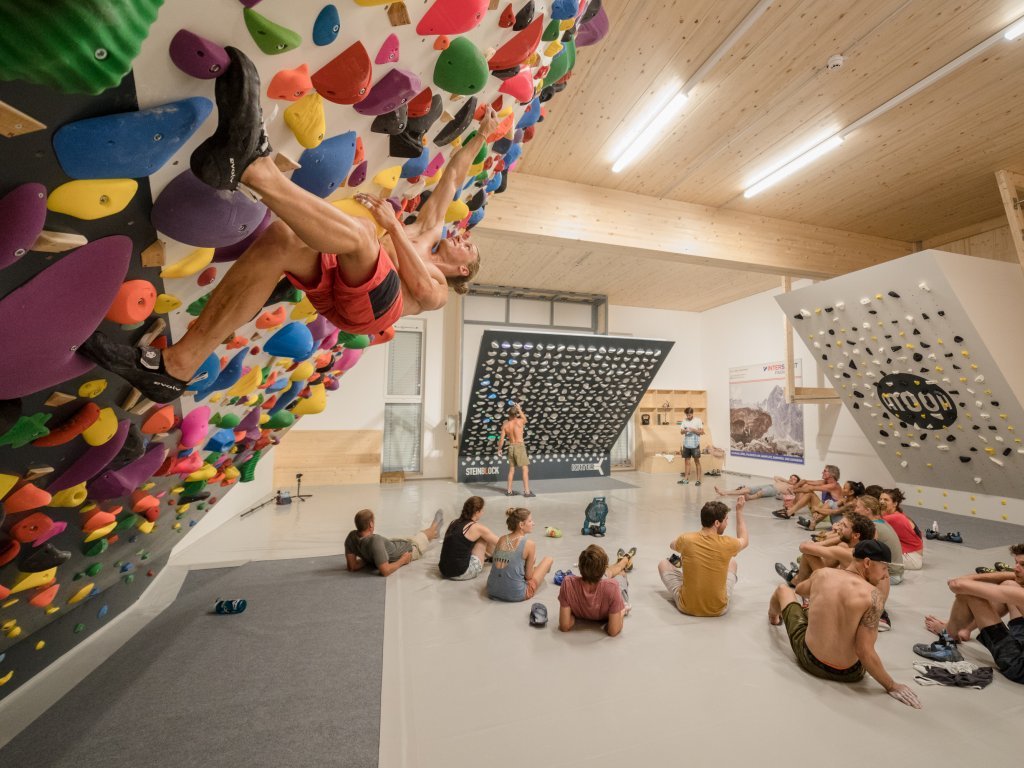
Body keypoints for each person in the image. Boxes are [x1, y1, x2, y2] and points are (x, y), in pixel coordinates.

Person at [76, 46, 499, 404]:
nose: (463, 236)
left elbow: (422, 290)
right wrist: (483, 135)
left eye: (470, 249)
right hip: (341, 290)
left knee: (363, 236)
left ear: (463, 270)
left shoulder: (440, 287)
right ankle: (175, 366)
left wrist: (390, 222)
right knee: (281, 239)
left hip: (372, 310)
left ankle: (254, 169)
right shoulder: (429, 225)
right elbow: (455, 177)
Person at [769, 540, 920, 707]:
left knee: (784, 590)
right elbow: (864, 651)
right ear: (868, 563)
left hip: (810, 661)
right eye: (884, 568)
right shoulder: (874, 596)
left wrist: (822, 592)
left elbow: (799, 590)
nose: (886, 575)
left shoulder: (823, 574)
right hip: (851, 674)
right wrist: (891, 686)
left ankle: (773, 617)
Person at [913, 543, 1024, 684]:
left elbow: (956, 584)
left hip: (1019, 666)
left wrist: (975, 578)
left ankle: (948, 639)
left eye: (1023, 565)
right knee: (1009, 584)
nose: (1016, 568)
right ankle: (965, 629)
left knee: (968, 595)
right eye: (1015, 563)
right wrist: (1014, 575)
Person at [658, 498, 748, 617]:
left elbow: (672, 545)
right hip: (718, 609)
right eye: (726, 520)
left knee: (663, 563)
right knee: (732, 562)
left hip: (687, 606)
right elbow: (744, 540)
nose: (727, 523)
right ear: (717, 523)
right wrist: (739, 511)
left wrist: (686, 547)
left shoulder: (686, 539)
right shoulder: (728, 543)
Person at [776, 511, 877, 587]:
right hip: (852, 588)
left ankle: (796, 580)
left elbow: (804, 547)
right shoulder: (866, 548)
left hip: (841, 593)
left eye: (844, 526)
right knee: (837, 547)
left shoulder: (847, 552)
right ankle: (799, 576)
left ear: (856, 535)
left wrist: (836, 534)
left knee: (809, 554)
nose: (840, 527)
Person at [558, 544, 635, 637]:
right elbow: (613, 630)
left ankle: (624, 560)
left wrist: (574, 615)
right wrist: (622, 612)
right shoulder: (613, 586)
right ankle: (625, 560)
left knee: (609, 572)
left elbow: (565, 625)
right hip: (609, 589)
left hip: (595, 578)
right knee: (621, 574)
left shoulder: (568, 583)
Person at [344, 508, 443, 577]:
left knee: (417, 536)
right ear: (371, 524)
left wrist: (369, 559)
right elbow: (385, 571)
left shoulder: (351, 536)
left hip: (393, 543)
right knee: (423, 536)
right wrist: (403, 560)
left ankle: (435, 531)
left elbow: (352, 566)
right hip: (410, 548)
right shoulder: (375, 541)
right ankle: (434, 526)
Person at [486, 508, 553, 602]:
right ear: (521, 525)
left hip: (491, 590)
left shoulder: (502, 539)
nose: (533, 523)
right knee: (548, 560)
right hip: (516, 594)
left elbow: (505, 560)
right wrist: (531, 564)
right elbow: (528, 577)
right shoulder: (529, 544)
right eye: (530, 521)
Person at [438, 496, 499, 581]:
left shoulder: (453, 522)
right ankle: (493, 557)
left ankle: (490, 557)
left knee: (467, 541)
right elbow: (500, 542)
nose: (483, 513)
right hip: (460, 573)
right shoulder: (476, 527)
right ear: (477, 512)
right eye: (482, 510)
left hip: (444, 570)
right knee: (484, 539)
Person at [853, 494, 905, 585]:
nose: (855, 510)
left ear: (867, 511)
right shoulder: (881, 522)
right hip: (897, 573)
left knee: (847, 554)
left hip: (890, 576)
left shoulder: (873, 527)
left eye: (857, 507)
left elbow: (860, 551)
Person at [773, 464, 842, 519]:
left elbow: (811, 488)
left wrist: (794, 490)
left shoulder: (833, 486)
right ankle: (791, 507)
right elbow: (806, 482)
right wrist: (799, 484)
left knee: (809, 493)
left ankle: (789, 512)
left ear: (832, 474)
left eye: (825, 471)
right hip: (821, 508)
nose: (822, 472)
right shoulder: (825, 482)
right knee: (805, 486)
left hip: (827, 514)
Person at [880, 488, 923, 570]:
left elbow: (872, 522)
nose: (882, 502)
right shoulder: (897, 514)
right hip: (913, 555)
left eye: (886, 500)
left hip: (912, 558)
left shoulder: (895, 518)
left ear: (895, 503)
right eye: (880, 499)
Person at [496, 403, 533, 497]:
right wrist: (519, 409)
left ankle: (509, 491)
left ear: (508, 415)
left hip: (511, 447)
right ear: (516, 414)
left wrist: (499, 449)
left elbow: (501, 440)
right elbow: (526, 419)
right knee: (525, 469)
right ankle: (527, 492)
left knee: (511, 470)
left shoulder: (505, 425)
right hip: (519, 446)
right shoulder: (519, 421)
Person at [797, 480, 865, 530]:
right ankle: (813, 523)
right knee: (830, 502)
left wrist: (818, 509)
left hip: (846, 525)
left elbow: (834, 512)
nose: (842, 489)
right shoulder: (845, 499)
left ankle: (812, 523)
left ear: (851, 492)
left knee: (830, 503)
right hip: (840, 521)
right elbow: (832, 504)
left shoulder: (852, 503)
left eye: (844, 488)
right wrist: (816, 511)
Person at [715, 474, 800, 500]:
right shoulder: (784, 482)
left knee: (761, 492)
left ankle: (750, 498)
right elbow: (776, 477)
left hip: (774, 490)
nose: (792, 479)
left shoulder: (793, 487)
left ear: (797, 482)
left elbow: (794, 496)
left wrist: (790, 490)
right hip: (770, 485)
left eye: (794, 479)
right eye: (791, 478)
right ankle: (725, 492)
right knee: (747, 489)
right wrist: (787, 480)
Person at [677, 407, 705, 485]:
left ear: (692, 413)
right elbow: (681, 432)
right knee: (686, 462)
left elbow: (702, 432)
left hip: (695, 445)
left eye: (689, 415)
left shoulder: (698, 420)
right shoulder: (684, 421)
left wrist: (693, 430)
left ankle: (698, 480)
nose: (688, 416)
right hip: (686, 444)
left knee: (697, 461)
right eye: (687, 415)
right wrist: (685, 430)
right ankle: (686, 479)